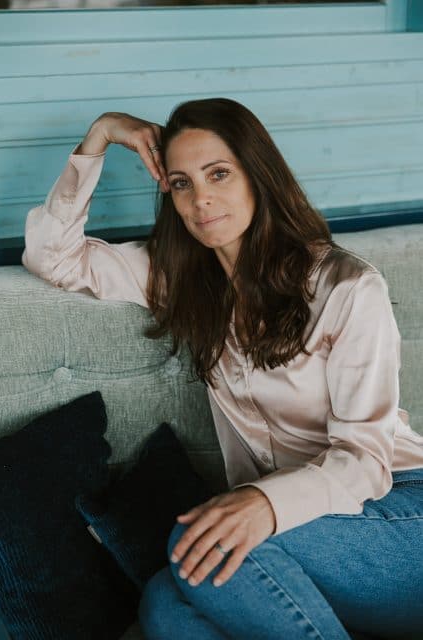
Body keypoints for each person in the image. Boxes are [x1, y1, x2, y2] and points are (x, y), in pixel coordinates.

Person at [22, 98, 423, 640]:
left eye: (218, 174)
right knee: (165, 604)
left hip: (398, 510)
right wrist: (102, 133)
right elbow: (52, 256)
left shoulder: (346, 288)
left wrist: (263, 502)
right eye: (181, 183)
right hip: (303, 541)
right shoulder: (182, 281)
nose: (201, 199)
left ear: (258, 175)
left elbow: (364, 462)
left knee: (205, 555)